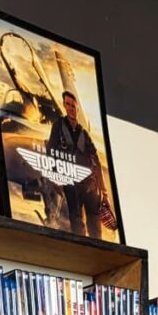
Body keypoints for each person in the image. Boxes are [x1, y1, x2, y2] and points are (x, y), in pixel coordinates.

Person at [46, 90, 115, 239]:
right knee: (77, 226)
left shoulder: (84, 133)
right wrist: (55, 178)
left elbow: (96, 161)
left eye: (73, 105)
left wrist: (104, 193)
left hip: (90, 186)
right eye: (68, 104)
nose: (71, 108)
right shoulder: (58, 126)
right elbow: (50, 151)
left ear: (77, 107)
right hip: (71, 184)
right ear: (64, 106)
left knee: (95, 229)